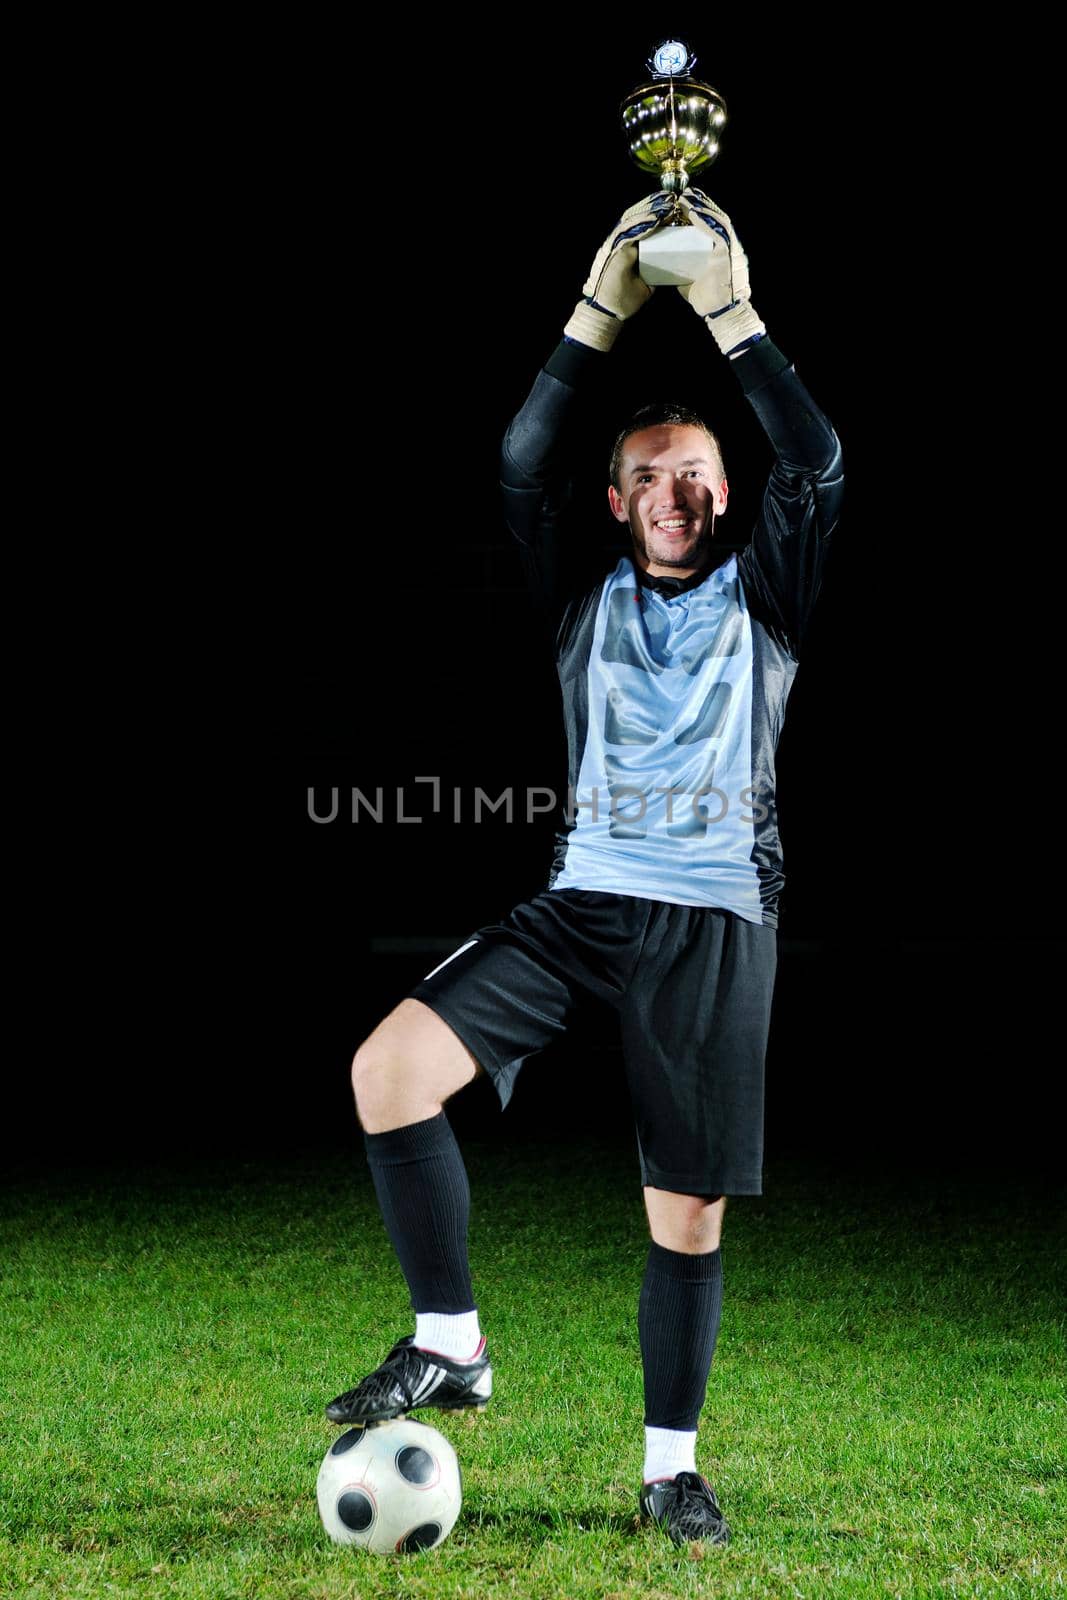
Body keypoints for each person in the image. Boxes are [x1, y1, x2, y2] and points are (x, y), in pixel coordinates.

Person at [325, 188, 844, 1548]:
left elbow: (822, 457)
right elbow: (518, 456)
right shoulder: (580, 590)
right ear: (615, 505)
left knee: (684, 1215)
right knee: (389, 1072)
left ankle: (670, 1468)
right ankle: (454, 1339)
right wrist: (599, 313)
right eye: (645, 477)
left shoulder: (766, 592)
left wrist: (730, 313)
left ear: (722, 494)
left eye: (694, 473)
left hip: (717, 917)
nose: (672, 493)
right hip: (581, 903)